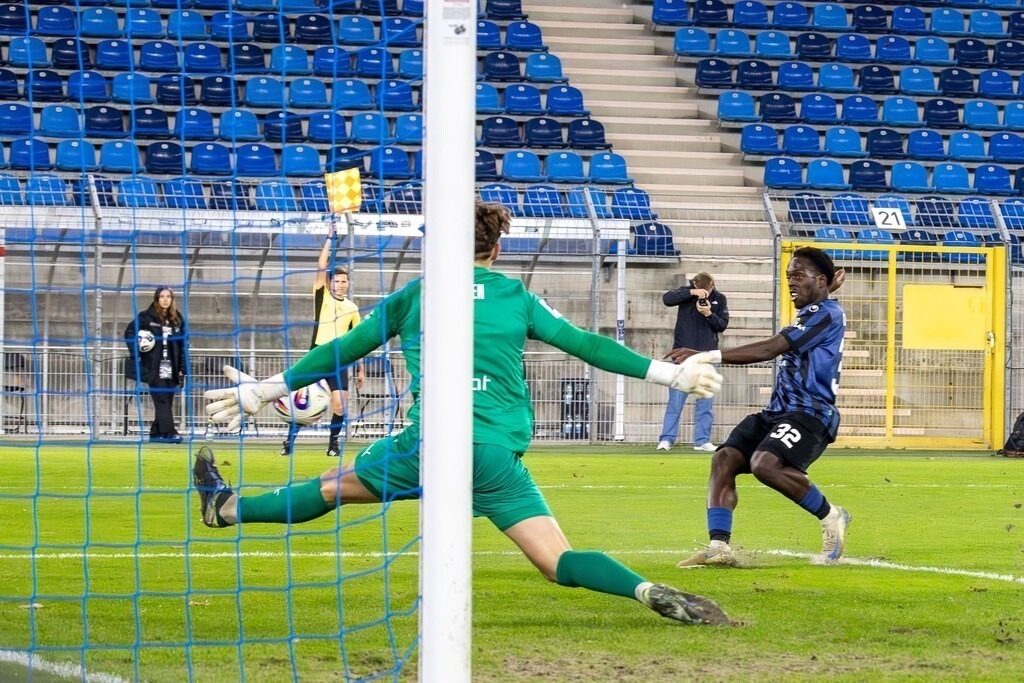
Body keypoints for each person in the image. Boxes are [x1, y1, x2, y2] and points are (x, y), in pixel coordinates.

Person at [196, 203, 730, 626]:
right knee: (556, 561)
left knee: (334, 486)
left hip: (431, 445)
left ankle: (224, 509)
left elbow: (344, 349)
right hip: (495, 454)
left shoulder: (419, 294)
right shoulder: (517, 296)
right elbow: (586, 344)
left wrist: (269, 388)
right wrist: (670, 374)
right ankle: (644, 589)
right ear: (496, 248)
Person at [672, 247, 851, 567]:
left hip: (810, 414)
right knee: (724, 458)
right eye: (788, 277)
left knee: (764, 463)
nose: (791, 283)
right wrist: (824, 287)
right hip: (778, 411)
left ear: (821, 280)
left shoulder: (827, 313)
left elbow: (773, 347)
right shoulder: (818, 309)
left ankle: (831, 516)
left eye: (798, 277)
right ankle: (719, 547)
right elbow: (815, 302)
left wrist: (708, 355)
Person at [281, 225, 365, 458]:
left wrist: (360, 369)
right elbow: (321, 266)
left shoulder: (352, 308)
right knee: (302, 401)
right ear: (329, 283)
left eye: (343, 281)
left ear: (348, 284)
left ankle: (333, 445)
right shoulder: (322, 297)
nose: (340, 284)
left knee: (339, 406)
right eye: (336, 281)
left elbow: (359, 341)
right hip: (317, 354)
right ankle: (289, 441)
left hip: (339, 360)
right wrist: (330, 238)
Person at [657, 272, 729, 453]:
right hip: (681, 357)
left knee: (705, 402)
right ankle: (666, 439)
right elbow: (667, 299)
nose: (706, 293)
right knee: (675, 401)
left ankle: (702, 440)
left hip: (707, 357)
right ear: (695, 285)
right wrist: (691, 294)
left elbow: (722, 325)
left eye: (709, 290)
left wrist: (708, 314)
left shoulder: (719, 299)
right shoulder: (685, 293)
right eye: (702, 290)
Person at [124, 287, 188, 444]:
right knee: (161, 399)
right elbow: (130, 333)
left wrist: (182, 367)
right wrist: (137, 350)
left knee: (168, 398)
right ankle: (170, 432)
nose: (165, 299)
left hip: (171, 367)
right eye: (162, 296)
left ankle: (156, 432)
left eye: (168, 297)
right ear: (156, 299)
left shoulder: (177, 319)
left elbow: (183, 345)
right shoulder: (146, 317)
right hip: (154, 366)